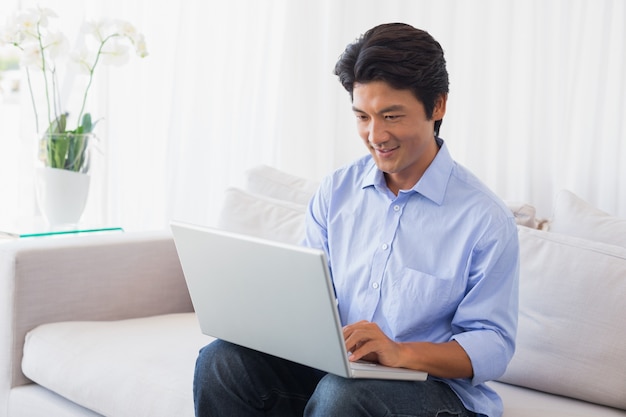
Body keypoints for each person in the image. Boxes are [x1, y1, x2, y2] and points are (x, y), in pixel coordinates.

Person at [193, 22, 519, 417]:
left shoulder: (484, 218)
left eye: (391, 116)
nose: (375, 135)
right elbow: (306, 296)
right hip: (342, 376)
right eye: (362, 116)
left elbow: (494, 345)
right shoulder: (337, 192)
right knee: (222, 363)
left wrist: (400, 353)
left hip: (436, 395)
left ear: (437, 106)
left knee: (343, 395)